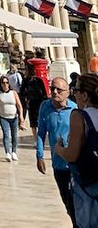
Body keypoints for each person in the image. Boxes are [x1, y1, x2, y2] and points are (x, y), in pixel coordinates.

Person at [56, 73, 98, 228]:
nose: (74, 94)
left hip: (88, 184)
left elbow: (72, 155)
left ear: (85, 95)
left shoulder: (80, 116)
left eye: (76, 90)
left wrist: (59, 149)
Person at [36, 77, 78, 228]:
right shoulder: (45, 107)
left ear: (67, 92)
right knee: (67, 202)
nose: (54, 92)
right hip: (58, 164)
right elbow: (41, 133)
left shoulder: (74, 109)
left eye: (59, 90)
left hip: (75, 164)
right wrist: (39, 156)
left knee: (77, 203)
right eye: (52, 88)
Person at [0, 75, 25, 162]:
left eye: (7, 82)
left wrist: (21, 117)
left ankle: (14, 152)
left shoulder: (13, 93)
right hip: (3, 117)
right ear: (1, 84)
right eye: (3, 83)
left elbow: (19, 105)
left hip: (14, 117)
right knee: (6, 135)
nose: (5, 84)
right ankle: (7, 152)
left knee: (14, 135)